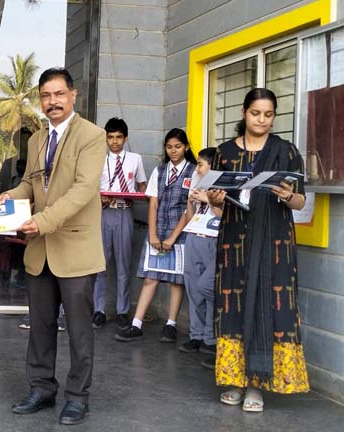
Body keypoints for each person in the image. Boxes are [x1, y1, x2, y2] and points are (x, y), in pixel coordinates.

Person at [3, 67, 107, 426]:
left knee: (79, 331)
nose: (53, 101)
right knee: (40, 327)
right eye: (46, 96)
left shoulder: (92, 136)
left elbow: (83, 190)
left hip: (75, 248)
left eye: (59, 94)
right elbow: (30, 185)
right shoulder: (36, 140)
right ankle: (42, 388)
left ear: (73, 95)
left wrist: (43, 220)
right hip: (40, 249)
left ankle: (78, 397)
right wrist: (9, 197)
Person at [207, 88, 309, 412]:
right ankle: (235, 380)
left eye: (268, 115)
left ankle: (257, 385)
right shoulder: (224, 153)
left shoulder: (286, 152)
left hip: (274, 244)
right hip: (234, 243)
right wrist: (214, 198)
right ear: (243, 112)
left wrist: (287, 195)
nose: (262, 120)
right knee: (233, 308)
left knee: (271, 306)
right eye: (255, 113)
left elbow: (300, 202)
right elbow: (218, 206)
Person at [115, 128, 196, 343]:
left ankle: (171, 325)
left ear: (186, 147)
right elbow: (153, 203)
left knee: (176, 281)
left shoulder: (194, 172)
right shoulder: (160, 171)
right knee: (151, 277)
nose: (173, 151)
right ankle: (136, 324)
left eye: (177, 147)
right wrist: (152, 234)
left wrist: (172, 238)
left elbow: (189, 209)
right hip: (158, 230)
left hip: (181, 233)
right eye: (169, 147)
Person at [92, 117, 147, 330]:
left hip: (125, 212)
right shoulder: (98, 159)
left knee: (124, 264)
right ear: (106, 138)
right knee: (101, 264)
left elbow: (141, 186)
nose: (114, 141)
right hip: (104, 213)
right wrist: (100, 199)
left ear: (126, 138)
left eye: (118, 137)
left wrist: (142, 197)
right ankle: (99, 310)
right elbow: (90, 189)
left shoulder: (135, 159)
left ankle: (122, 311)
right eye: (110, 137)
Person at [178, 147, 220, 355]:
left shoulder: (223, 187)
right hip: (194, 236)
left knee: (208, 289)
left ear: (212, 166)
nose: (198, 169)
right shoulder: (197, 182)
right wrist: (190, 201)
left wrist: (208, 200)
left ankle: (210, 338)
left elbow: (224, 214)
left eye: (201, 164)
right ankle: (196, 335)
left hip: (213, 239)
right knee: (193, 288)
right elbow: (190, 216)